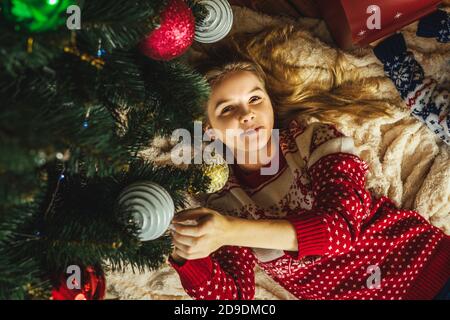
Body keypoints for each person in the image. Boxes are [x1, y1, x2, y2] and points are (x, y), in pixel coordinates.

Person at [168, 10, 450, 300]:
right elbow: (235, 296)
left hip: (428, 269)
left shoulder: (314, 141)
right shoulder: (223, 200)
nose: (247, 114)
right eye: (227, 109)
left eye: (255, 99)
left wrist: (229, 231)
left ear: (270, 106)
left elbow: (338, 231)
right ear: (210, 131)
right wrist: (188, 255)